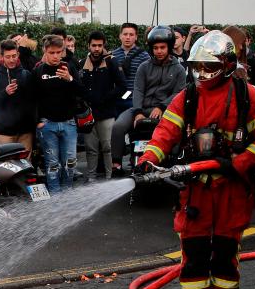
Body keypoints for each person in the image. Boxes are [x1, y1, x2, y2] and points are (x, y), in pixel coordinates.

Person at [135, 31, 255, 289]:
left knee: (227, 245)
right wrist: (149, 159)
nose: (202, 73)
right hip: (196, 186)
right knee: (194, 245)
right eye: (196, 66)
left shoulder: (246, 95)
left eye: (208, 67)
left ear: (227, 65)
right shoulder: (187, 97)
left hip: (231, 185)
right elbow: (165, 133)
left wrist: (240, 162)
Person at [110, 26, 186, 175]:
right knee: (118, 126)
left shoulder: (179, 69)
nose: (159, 51)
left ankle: (175, 162)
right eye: (155, 48)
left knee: (178, 132)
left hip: (166, 111)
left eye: (162, 47)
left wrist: (161, 107)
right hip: (140, 108)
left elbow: (179, 93)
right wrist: (138, 112)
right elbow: (138, 90)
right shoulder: (144, 66)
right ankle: (116, 165)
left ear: (169, 47)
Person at [30, 34, 84, 193]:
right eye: (51, 52)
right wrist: (37, 122)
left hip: (69, 123)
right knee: (52, 165)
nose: (55, 56)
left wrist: (70, 79)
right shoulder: (38, 71)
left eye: (58, 52)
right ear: (45, 51)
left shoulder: (69, 67)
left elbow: (83, 92)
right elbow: (32, 100)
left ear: (63, 51)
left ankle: (66, 195)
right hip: (48, 124)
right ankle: (55, 198)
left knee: (70, 163)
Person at [80, 30, 126, 179]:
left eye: (100, 45)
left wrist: (106, 97)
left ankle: (109, 178)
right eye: (94, 45)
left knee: (108, 148)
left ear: (103, 45)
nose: (97, 48)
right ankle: (91, 178)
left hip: (107, 113)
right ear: (88, 46)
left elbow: (122, 86)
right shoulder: (81, 63)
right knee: (90, 149)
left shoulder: (112, 61)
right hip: (88, 115)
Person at [0, 39, 35, 151]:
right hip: (5, 132)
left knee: (25, 167)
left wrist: (34, 124)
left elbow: (33, 101)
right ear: (1, 56)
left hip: (25, 132)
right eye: (8, 57)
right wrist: (5, 93)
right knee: (8, 167)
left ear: (18, 54)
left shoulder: (26, 75)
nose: (12, 60)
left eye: (14, 56)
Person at [110, 23, 150, 114]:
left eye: (131, 35)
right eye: (125, 34)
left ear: (136, 37)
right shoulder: (112, 55)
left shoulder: (144, 55)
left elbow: (149, 78)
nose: (128, 37)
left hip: (135, 100)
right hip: (116, 100)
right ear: (120, 36)